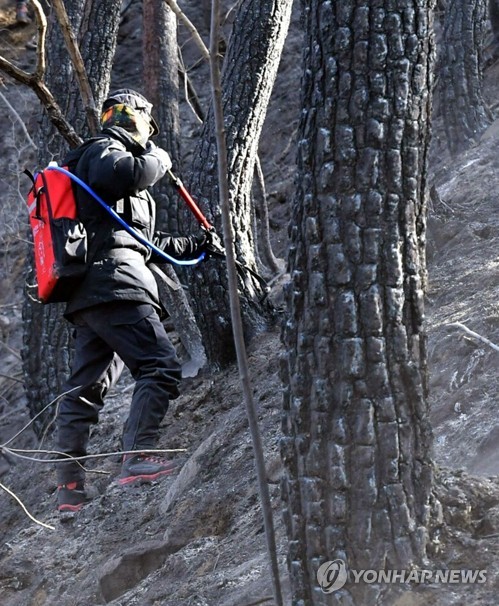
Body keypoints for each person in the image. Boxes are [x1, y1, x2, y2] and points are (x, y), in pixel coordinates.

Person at [55, 89, 211, 512]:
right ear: (135, 119)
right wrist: (160, 159)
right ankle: (138, 456)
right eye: (148, 125)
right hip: (115, 286)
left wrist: (196, 244)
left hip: (98, 291)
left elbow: (141, 242)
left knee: (85, 389)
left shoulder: (100, 166)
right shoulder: (104, 149)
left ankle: (69, 489)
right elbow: (124, 174)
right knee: (159, 365)